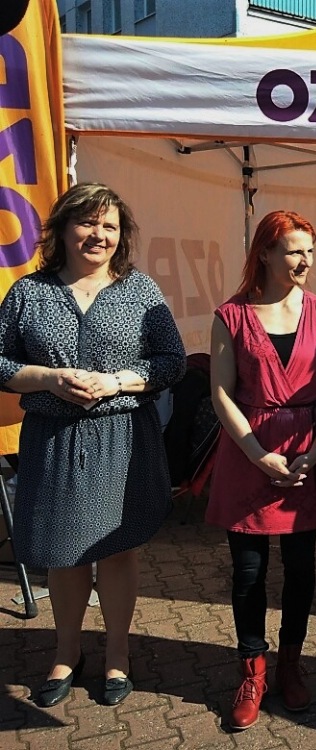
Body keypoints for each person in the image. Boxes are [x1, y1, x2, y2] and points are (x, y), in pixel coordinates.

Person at [0, 182, 186, 707]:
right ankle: (67, 652)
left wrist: (118, 381)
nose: (99, 234)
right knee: (63, 554)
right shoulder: (29, 292)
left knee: (119, 549)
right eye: (87, 222)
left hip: (122, 438)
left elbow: (171, 361)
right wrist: (48, 378)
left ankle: (118, 654)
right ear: (62, 228)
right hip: (54, 440)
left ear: (122, 235)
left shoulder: (140, 291)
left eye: (110, 225)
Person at [205, 210, 316, 731]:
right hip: (248, 455)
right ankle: (252, 671)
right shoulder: (231, 315)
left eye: (310, 250)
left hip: (306, 452)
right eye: (293, 250)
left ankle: (290, 662)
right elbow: (221, 393)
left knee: (302, 568)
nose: (305, 260)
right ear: (264, 253)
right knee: (248, 571)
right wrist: (256, 452)